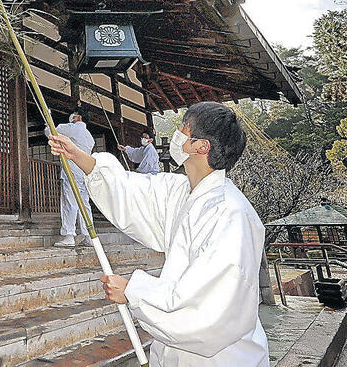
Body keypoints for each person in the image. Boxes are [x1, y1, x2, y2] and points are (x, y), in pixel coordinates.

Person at [49, 101, 269, 366]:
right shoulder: (181, 190)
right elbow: (133, 190)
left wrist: (134, 292)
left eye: (184, 129)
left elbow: (210, 306)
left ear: (202, 146)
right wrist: (77, 155)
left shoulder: (230, 214)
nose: (177, 133)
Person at [50, 107, 96, 248]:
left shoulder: (73, 128)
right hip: (84, 172)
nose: (72, 116)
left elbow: (52, 131)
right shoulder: (89, 136)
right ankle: (88, 235)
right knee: (84, 203)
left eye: (74, 115)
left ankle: (69, 235)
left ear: (78, 117)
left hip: (72, 170)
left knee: (70, 202)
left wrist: (48, 122)